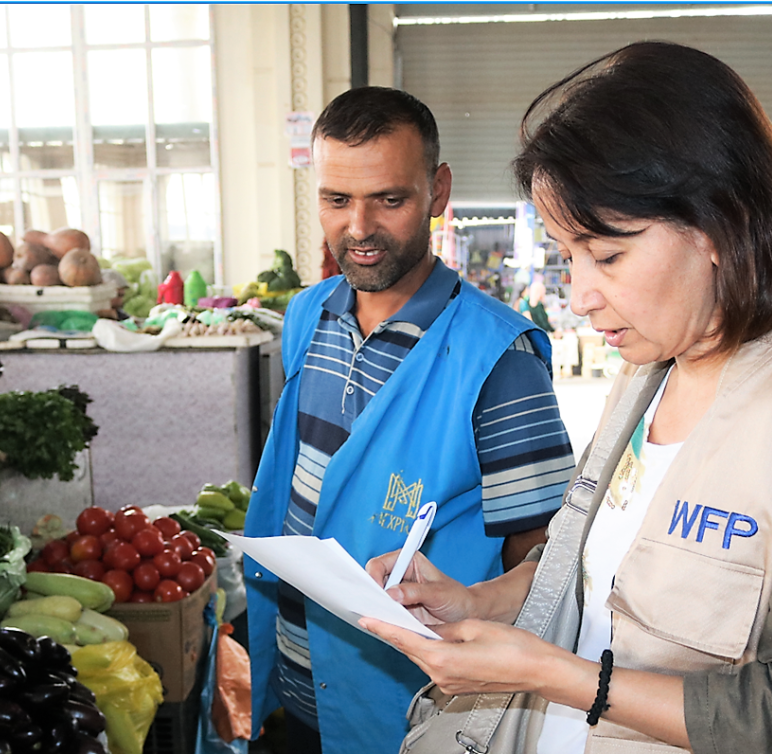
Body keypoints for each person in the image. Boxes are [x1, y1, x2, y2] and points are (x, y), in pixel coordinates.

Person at [361, 42, 772, 754]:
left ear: (719, 223)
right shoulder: (646, 375)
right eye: (566, 256)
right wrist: (474, 602)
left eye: (608, 255)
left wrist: (557, 676)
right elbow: (590, 565)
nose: (579, 297)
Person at [243, 86, 577, 754]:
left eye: (389, 200)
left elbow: (549, 562)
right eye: (337, 200)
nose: (358, 227)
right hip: (298, 686)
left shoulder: (499, 361)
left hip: (411, 711)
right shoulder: (308, 316)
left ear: (438, 190)